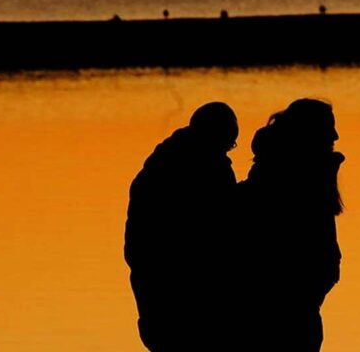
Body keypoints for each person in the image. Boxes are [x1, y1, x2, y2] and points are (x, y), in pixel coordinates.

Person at [124, 102, 241, 352]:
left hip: (155, 297)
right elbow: (223, 227)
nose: (228, 151)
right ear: (215, 137)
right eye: (228, 144)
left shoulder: (156, 168)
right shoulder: (210, 169)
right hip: (184, 300)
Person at [237, 99, 346, 351]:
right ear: (307, 134)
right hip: (281, 315)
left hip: (299, 309)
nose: (335, 136)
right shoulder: (290, 186)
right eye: (327, 128)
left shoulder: (302, 178)